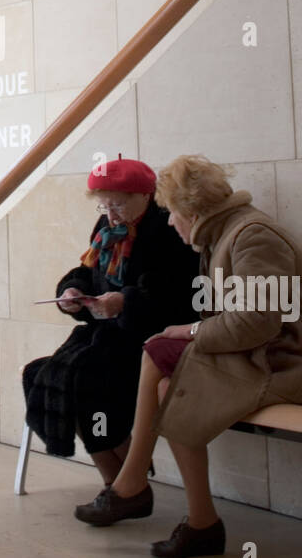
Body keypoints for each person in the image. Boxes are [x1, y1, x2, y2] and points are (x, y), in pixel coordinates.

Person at [80, 155, 302, 558]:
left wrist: (188, 331)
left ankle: (135, 487)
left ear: (191, 209)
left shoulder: (253, 235)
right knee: (168, 379)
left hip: (292, 364)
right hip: (260, 357)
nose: (169, 223)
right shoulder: (224, 233)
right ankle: (198, 521)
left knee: (160, 355)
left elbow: (258, 321)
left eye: (172, 214)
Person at [22, 156, 200, 514]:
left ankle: (126, 488)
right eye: (104, 205)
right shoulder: (107, 228)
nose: (111, 213)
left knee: (88, 380)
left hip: (149, 339)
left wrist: (125, 302)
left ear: (146, 195)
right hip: (106, 335)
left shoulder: (167, 230)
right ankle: (117, 482)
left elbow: (181, 296)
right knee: (38, 373)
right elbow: (88, 271)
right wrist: (72, 292)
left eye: (118, 204)